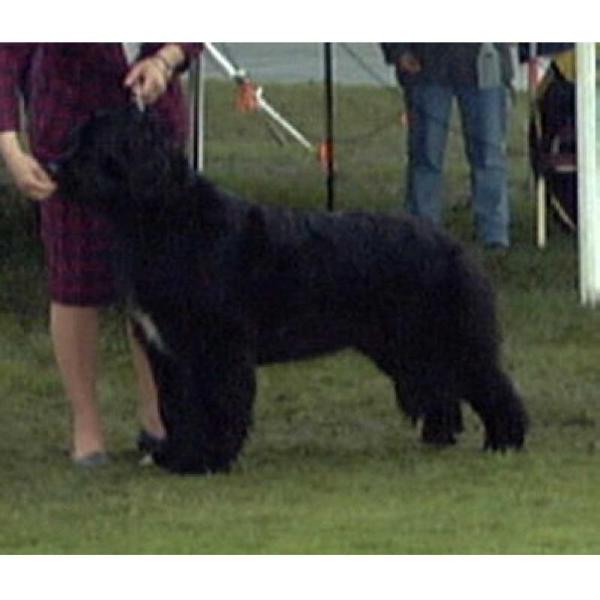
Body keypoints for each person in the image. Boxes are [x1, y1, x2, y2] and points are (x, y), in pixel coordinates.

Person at [0, 43, 201, 466]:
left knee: (157, 283)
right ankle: (87, 427)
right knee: (75, 283)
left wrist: (166, 58)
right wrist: (11, 148)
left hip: (152, 135)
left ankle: (158, 417)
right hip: (74, 137)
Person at [381, 43, 513, 248]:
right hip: (425, 63)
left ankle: (494, 234)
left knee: (489, 154)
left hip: (485, 60)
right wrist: (398, 50)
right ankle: (421, 231)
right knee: (426, 156)